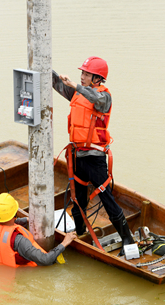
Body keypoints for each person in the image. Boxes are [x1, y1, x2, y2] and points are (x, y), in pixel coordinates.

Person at [52, 56, 134, 255]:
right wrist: (50, 71)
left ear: (97, 78)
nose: (82, 77)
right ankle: (79, 234)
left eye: (87, 74)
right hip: (77, 157)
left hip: (95, 159)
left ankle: (128, 239)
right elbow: (57, 85)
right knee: (78, 198)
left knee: (106, 198)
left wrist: (74, 85)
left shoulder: (104, 97)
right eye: (82, 73)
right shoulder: (77, 94)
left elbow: (94, 98)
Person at [0, 193, 77, 267]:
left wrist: (27, 220)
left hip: (1, 262)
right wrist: (64, 242)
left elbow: (5, 224)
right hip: (22, 270)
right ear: (15, 214)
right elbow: (46, 260)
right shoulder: (19, 241)